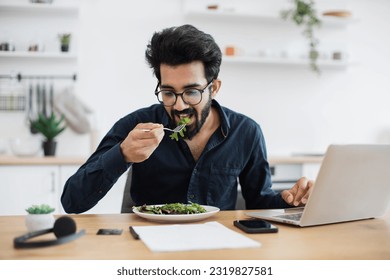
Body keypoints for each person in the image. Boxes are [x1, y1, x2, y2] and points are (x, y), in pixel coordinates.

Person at [61, 24, 313, 214]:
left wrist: (289, 200)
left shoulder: (246, 132)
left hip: (218, 248)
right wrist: (122, 153)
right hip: (146, 248)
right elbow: (72, 201)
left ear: (214, 88)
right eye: (168, 92)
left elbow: (260, 203)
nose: (179, 105)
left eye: (191, 91)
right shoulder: (135, 125)